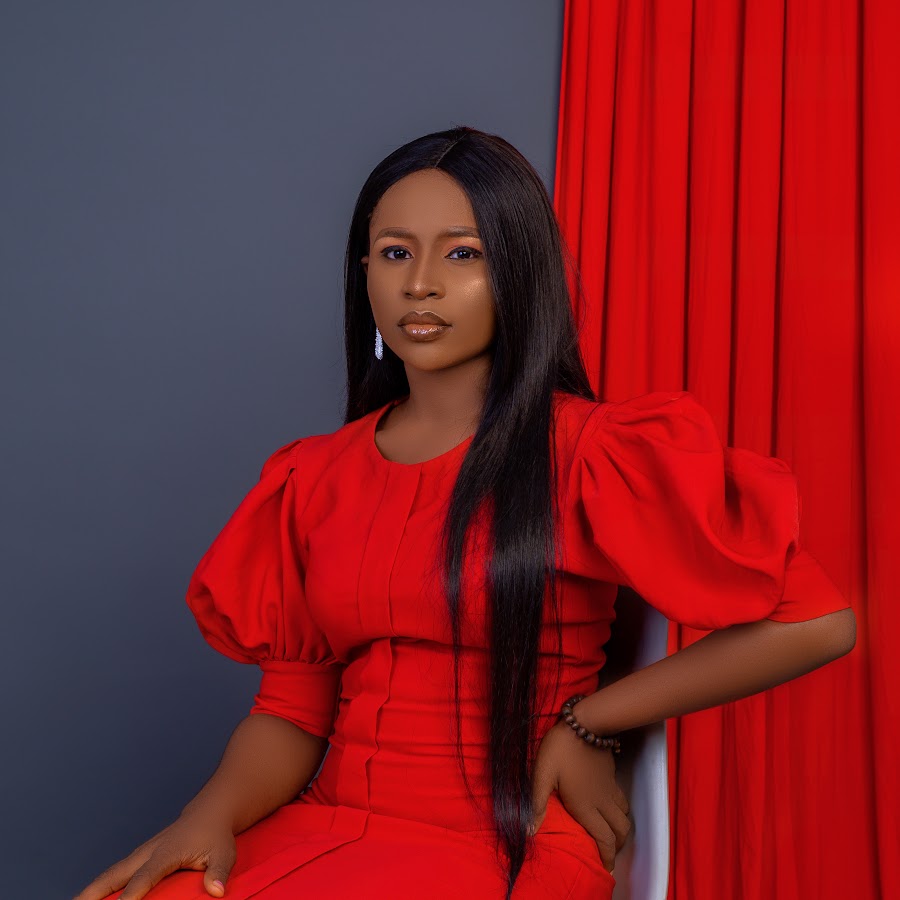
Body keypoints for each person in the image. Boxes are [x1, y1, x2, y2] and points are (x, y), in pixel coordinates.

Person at [74, 126, 856, 900]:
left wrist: (589, 720)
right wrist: (205, 818)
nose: (420, 284)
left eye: (461, 255)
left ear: (517, 272)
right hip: (326, 824)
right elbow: (292, 708)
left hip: (510, 839)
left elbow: (817, 623)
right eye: (394, 253)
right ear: (364, 273)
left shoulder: (592, 452)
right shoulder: (312, 476)